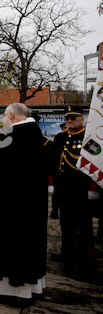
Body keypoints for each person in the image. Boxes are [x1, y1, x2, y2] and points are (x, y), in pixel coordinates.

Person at [0, 103, 48, 306]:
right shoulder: (37, 134)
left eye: (4, 115)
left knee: (13, 246)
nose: (3, 119)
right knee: (31, 244)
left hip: (11, 206)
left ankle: (12, 292)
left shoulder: (13, 138)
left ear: (11, 115)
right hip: (32, 204)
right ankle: (32, 288)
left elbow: (2, 174)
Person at [50, 106, 96, 277]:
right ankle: (67, 254)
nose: (69, 120)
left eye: (73, 118)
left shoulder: (88, 139)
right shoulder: (60, 138)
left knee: (84, 226)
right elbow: (53, 162)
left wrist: (93, 188)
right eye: (67, 118)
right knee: (66, 223)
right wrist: (52, 183)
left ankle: (85, 259)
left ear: (81, 119)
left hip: (81, 189)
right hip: (63, 189)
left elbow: (96, 164)